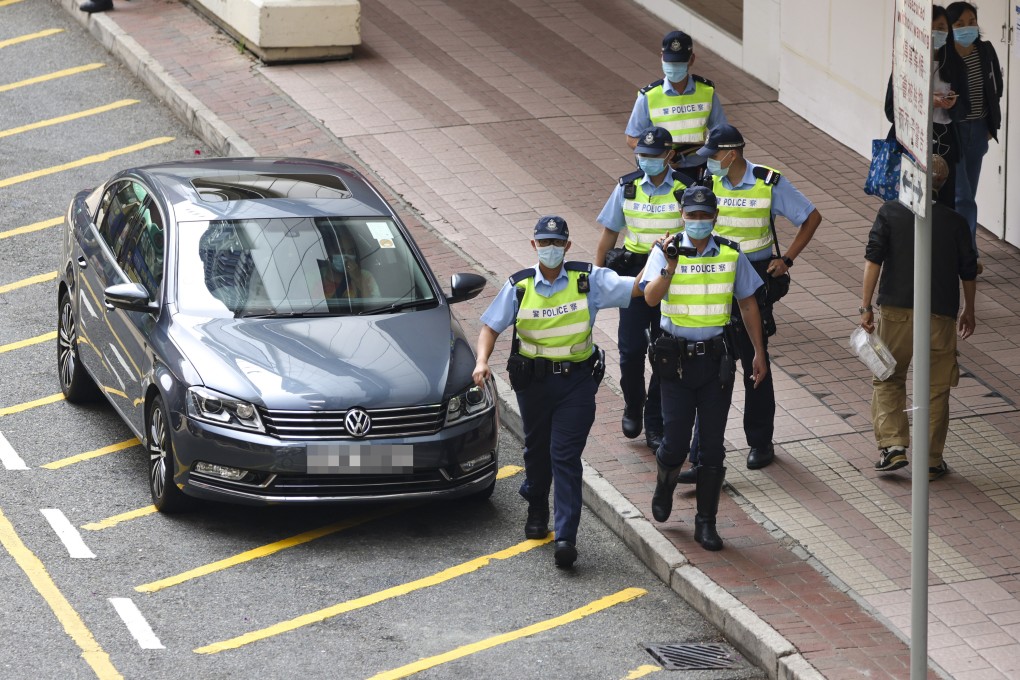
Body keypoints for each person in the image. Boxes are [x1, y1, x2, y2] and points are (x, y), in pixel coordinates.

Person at [472, 216, 644, 569]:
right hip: (534, 384)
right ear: (534, 246)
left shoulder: (588, 280)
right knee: (537, 450)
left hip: (576, 383)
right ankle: (536, 504)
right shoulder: (520, 286)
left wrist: (661, 257)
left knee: (564, 455)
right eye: (543, 242)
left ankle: (566, 536)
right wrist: (481, 361)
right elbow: (490, 326)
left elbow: (637, 288)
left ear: (567, 246)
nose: (550, 249)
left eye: (556, 243)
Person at [683, 124, 821, 476]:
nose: (709, 162)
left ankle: (761, 441)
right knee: (711, 365)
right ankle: (700, 453)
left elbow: (811, 217)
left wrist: (786, 259)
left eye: (713, 156)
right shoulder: (709, 182)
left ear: (731, 153)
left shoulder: (767, 182)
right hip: (714, 276)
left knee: (755, 362)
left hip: (754, 276)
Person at [641, 186, 767, 551]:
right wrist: (670, 266)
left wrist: (759, 353)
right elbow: (650, 297)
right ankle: (664, 482)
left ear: (714, 217)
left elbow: (747, 305)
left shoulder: (730, 252)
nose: (697, 222)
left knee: (712, 446)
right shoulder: (663, 252)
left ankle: (706, 523)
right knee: (676, 440)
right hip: (675, 363)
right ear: (682, 215)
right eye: (691, 215)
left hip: (716, 361)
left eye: (704, 216)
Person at [860, 155, 977, 481]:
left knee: (887, 377)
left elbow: (873, 260)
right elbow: (968, 270)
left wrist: (865, 306)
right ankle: (929, 459)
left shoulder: (890, 213)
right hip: (940, 317)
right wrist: (969, 309)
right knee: (936, 388)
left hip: (895, 313)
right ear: (943, 184)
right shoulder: (955, 223)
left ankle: (894, 447)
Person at [595, 126, 695, 449]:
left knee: (664, 354)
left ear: (668, 156)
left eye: (653, 156)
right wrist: (598, 279)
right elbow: (609, 235)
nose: (646, 161)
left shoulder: (685, 188)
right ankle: (633, 404)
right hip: (635, 275)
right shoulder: (627, 187)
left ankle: (654, 422)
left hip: (670, 274)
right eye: (642, 156)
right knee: (630, 352)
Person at [884, 5, 967, 210]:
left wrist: (952, 105)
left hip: (944, 141)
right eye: (931, 27)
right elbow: (890, 109)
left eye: (941, 27)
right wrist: (926, 103)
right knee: (909, 202)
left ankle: (937, 242)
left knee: (942, 204)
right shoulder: (906, 60)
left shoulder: (955, 64)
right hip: (912, 140)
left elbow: (964, 109)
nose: (937, 33)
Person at [624, 30, 727, 175]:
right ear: (661, 58)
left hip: (698, 169)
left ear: (691, 60)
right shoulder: (648, 96)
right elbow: (632, 138)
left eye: (679, 62)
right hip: (662, 171)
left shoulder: (707, 92)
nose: (673, 67)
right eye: (669, 62)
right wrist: (659, 157)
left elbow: (722, 133)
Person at [947, 1, 1003, 259]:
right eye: (960, 24)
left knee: (968, 191)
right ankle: (968, 254)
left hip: (979, 131)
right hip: (953, 131)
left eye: (972, 22)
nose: (968, 28)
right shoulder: (944, 55)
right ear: (949, 27)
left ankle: (957, 247)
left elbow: (996, 87)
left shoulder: (986, 51)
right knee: (963, 196)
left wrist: (990, 125)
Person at [320, 231, 380, 300]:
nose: (346, 257)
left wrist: (358, 279)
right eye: (341, 252)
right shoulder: (315, 276)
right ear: (329, 254)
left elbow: (374, 304)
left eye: (351, 252)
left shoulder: (366, 276)